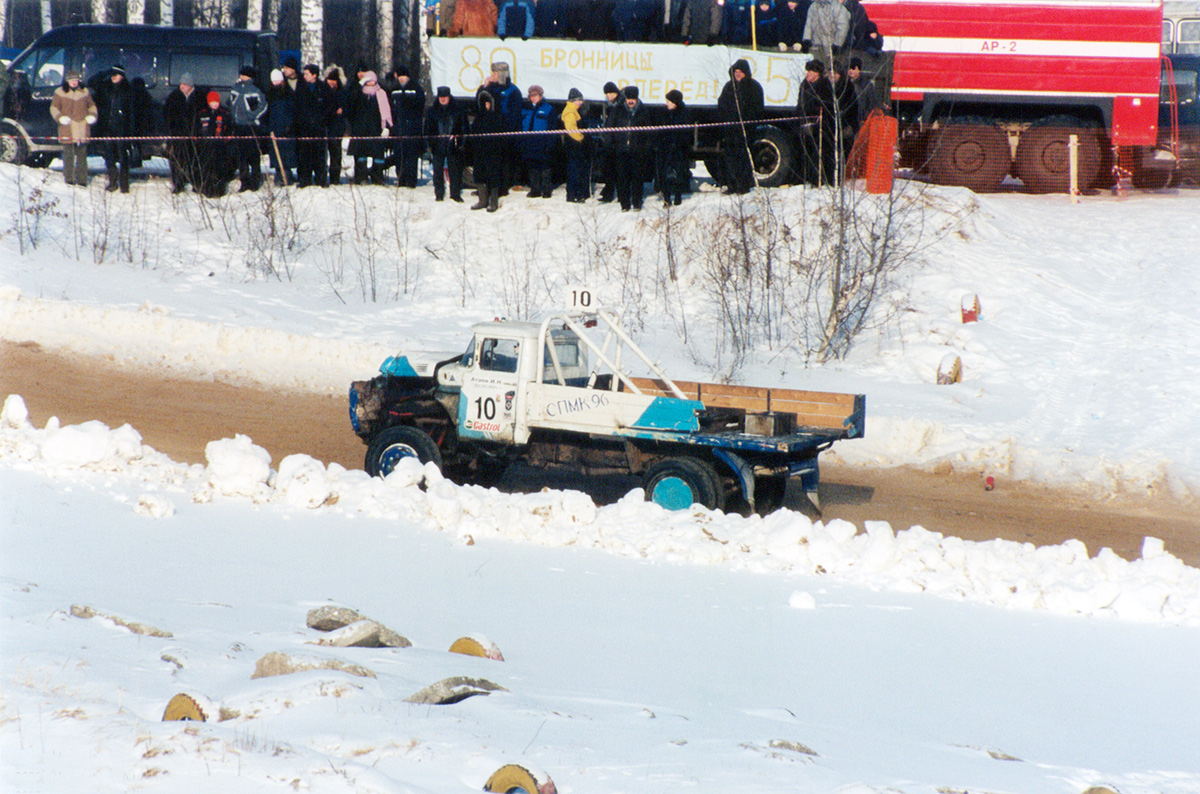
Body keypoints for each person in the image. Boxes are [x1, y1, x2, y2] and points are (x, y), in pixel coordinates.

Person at [717, 58, 764, 194]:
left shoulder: (754, 87)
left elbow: (758, 108)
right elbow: (721, 104)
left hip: (745, 129)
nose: (737, 74)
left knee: (743, 157)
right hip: (730, 129)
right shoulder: (729, 87)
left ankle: (743, 186)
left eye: (740, 72)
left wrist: (747, 119)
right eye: (735, 72)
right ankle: (732, 185)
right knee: (730, 157)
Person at [604, 85, 652, 210]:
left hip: (637, 151)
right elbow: (609, 129)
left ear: (637, 99)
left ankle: (637, 202)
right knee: (622, 178)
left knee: (637, 178)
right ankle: (624, 204)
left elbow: (648, 132)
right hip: (621, 150)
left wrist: (645, 148)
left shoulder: (643, 111)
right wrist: (611, 145)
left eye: (633, 99)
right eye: (628, 98)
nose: (630, 101)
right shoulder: (618, 110)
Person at [477, 62, 522, 192]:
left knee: (505, 161)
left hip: (506, 131)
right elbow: (480, 101)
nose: (492, 75)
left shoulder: (513, 91)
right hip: (491, 130)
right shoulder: (491, 88)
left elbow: (514, 114)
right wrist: (483, 87)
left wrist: (506, 129)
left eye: (495, 73)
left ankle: (504, 186)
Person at [51, 70, 97, 187]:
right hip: (67, 128)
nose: (74, 82)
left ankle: (82, 180)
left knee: (82, 155)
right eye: (72, 80)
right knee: (68, 155)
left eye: (76, 80)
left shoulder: (85, 92)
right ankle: (69, 179)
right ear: (67, 81)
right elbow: (54, 107)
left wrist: (93, 116)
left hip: (82, 127)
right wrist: (60, 118)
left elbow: (91, 105)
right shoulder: (59, 92)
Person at [348, 70, 393, 184]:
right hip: (361, 129)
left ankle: (377, 177)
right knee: (361, 154)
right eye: (368, 80)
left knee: (378, 154)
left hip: (376, 129)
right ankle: (361, 177)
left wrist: (386, 127)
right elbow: (350, 102)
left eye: (372, 80)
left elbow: (387, 110)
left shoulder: (381, 93)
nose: (370, 82)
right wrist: (359, 85)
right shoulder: (359, 93)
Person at [796, 58, 835, 186]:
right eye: (807, 71)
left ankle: (823, 181)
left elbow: (826, 107)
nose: (807, 74)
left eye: (810, 71)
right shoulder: (804, 85)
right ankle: (808, 179)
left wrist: (816, 122)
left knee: (821, 154)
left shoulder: (824, 86)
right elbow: (800, 104)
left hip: (821, 128)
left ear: (817, 73)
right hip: (805, 125)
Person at [468, 91, 509, 212]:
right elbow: (473, 134)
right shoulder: (478, 118)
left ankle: (493, 202)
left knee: (493, 175)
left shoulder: (497, 117)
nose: (486, 105)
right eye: (484, 103)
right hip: (480, 151)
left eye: (488, 103)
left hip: (493, 151)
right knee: (480, 175)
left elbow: (502, 136)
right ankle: (482, 200)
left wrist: (499, 148)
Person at [95, 64, 134, 193]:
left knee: (123, 157)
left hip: (122, 129)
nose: (113, 77)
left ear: (122, 76)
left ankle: (124, 184)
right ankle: (112, 181)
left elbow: (132, 113)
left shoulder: (128, 90)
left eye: (115, 74)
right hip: (108, 127)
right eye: (111, 74)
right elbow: (92, 82)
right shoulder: (105, 87)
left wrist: (131, 130)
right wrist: (105, 72)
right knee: (109, 157)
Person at [229, 65, 268, 191]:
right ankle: (244, 182)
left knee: (254, 156)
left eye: (244, 75)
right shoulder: (236, 88)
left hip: (251, 127)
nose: (241, 77)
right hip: (239, 126)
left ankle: (255, 182)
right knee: (242, 156)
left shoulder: (256, 90)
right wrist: (233, 116)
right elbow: (231, 103)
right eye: (241, 75)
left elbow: (263, 106)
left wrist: (252, 116)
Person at [424, 85, 466, 202]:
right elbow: (427, 129)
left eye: (445, 97)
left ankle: (455, 194)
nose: (443, 99)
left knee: (455, 171)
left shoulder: (458, 111)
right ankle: (439, 193)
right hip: (438, 146)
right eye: (441, 97)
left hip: (453, 145)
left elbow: (464, 128)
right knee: (437, 171)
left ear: (449, 97)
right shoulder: (432, 112)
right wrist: (429, 145)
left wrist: (461, 143)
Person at [163, 72, 203, 193]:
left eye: (185, 84)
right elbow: (166, 114)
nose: (182, 86)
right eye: (181, 84)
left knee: (195, 159)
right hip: (178, 134)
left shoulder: (199, 97)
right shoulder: (174, 96)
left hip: (194, 134)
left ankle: (196, 183)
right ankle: (178, 184)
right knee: (177, 160)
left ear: (190, 85)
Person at [519, 84, 559, 198]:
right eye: (531, 96)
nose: (533, 98)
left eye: (535, 95)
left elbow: (552, 127)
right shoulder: (525, 109)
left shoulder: (548, 109)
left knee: (545, 167)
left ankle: (546, 190)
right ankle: (535, 189)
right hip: (529, 142)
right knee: (532, 167)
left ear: (540, 95)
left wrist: (550, 143)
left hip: (543, 142)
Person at [388, 65, 425, 188]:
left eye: (404, 76)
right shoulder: (394, 90)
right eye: (400, 76)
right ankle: (401, 178)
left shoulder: (416, 89)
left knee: (412, 155)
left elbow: (420, 107)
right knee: (399, 154)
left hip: (412, 128)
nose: (402, 79)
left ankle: (411, 180)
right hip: (399, 128)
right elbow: (391, 108)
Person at [294, 64, 330, 187]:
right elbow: (297, 106)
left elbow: (329, 106)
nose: (304, 76)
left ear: (314, 75)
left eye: (307, 74)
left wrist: (322, 120)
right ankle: (305, 179)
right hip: (304, 127)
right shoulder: (300, 87)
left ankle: (321, 179)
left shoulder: (323, 87)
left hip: (319, 128)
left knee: (320, 155)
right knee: (304, 155)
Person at [194, 90, 235, 197]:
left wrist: (226, 139)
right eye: (212, 102)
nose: (214, 104)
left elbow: (229, 129)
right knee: (206, 169)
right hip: (205, 147)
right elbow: (196, 129)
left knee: (219, 170)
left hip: (220, 147)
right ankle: (207, 191)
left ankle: (219, 191)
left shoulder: (224, 113)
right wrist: (198, 141)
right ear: (208, 103)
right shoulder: (202, 113)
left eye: (216, 102)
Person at [656, 88, 692, 205]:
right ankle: (666, 198)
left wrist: (680, 144)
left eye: (670, 102)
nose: (667, 104)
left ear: (675, 102)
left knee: (678, 173)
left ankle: (678, 196)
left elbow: (686, 133)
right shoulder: (664, 113)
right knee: (664, 174)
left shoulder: (684, 114)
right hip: (665, 147)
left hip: (679, 148)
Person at [265, 69, 297, 185]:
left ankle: (286, 176)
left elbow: (293, 112)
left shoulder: (288, 94)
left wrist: (289, 126)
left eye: (278, 81)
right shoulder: (270, 94)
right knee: (276, 155)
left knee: (286, 156)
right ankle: (279, 175)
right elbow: (268, 113)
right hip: (274, 129)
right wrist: (269, 128)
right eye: (274, 81)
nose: (276, 84)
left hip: (286, 130)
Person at [561, 87, 591, 203]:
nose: (581, 102)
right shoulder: (570, 111)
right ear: (573, 100)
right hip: (574, 144)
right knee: (575, 169)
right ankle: (573, 194)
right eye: (579, 100)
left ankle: (578, 193)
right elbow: (571, 128)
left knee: (577, 168)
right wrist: (582, 138)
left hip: (575, 144)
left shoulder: (574, 110)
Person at [597, 81, 621, 202]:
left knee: (616, 169)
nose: (608, 96)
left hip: (617, 142)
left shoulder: (619, 106)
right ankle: (608, 192)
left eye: (610, 93)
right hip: (610, 141)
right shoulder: (612, 106)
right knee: (609, 168)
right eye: (606, 94)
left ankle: (615, 193)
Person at [324, 66, 349, 185]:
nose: (332, 83)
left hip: (337, 126)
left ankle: (335, 178)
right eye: (330, 80)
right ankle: (322, 177)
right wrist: (334, 110)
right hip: (324, 125)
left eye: (334, 81)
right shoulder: (322, 90)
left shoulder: (342, 92)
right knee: (322, 154)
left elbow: (344, 108)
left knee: (336, 154)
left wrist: (340, 110)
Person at [848, 56, 880, 122]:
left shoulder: (867, 85)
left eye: (853, 68)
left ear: (859, 69)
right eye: (849, 68)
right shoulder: (844, 84)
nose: (850, 70)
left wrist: (865, 119)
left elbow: (872, 104)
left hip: (862, 121)